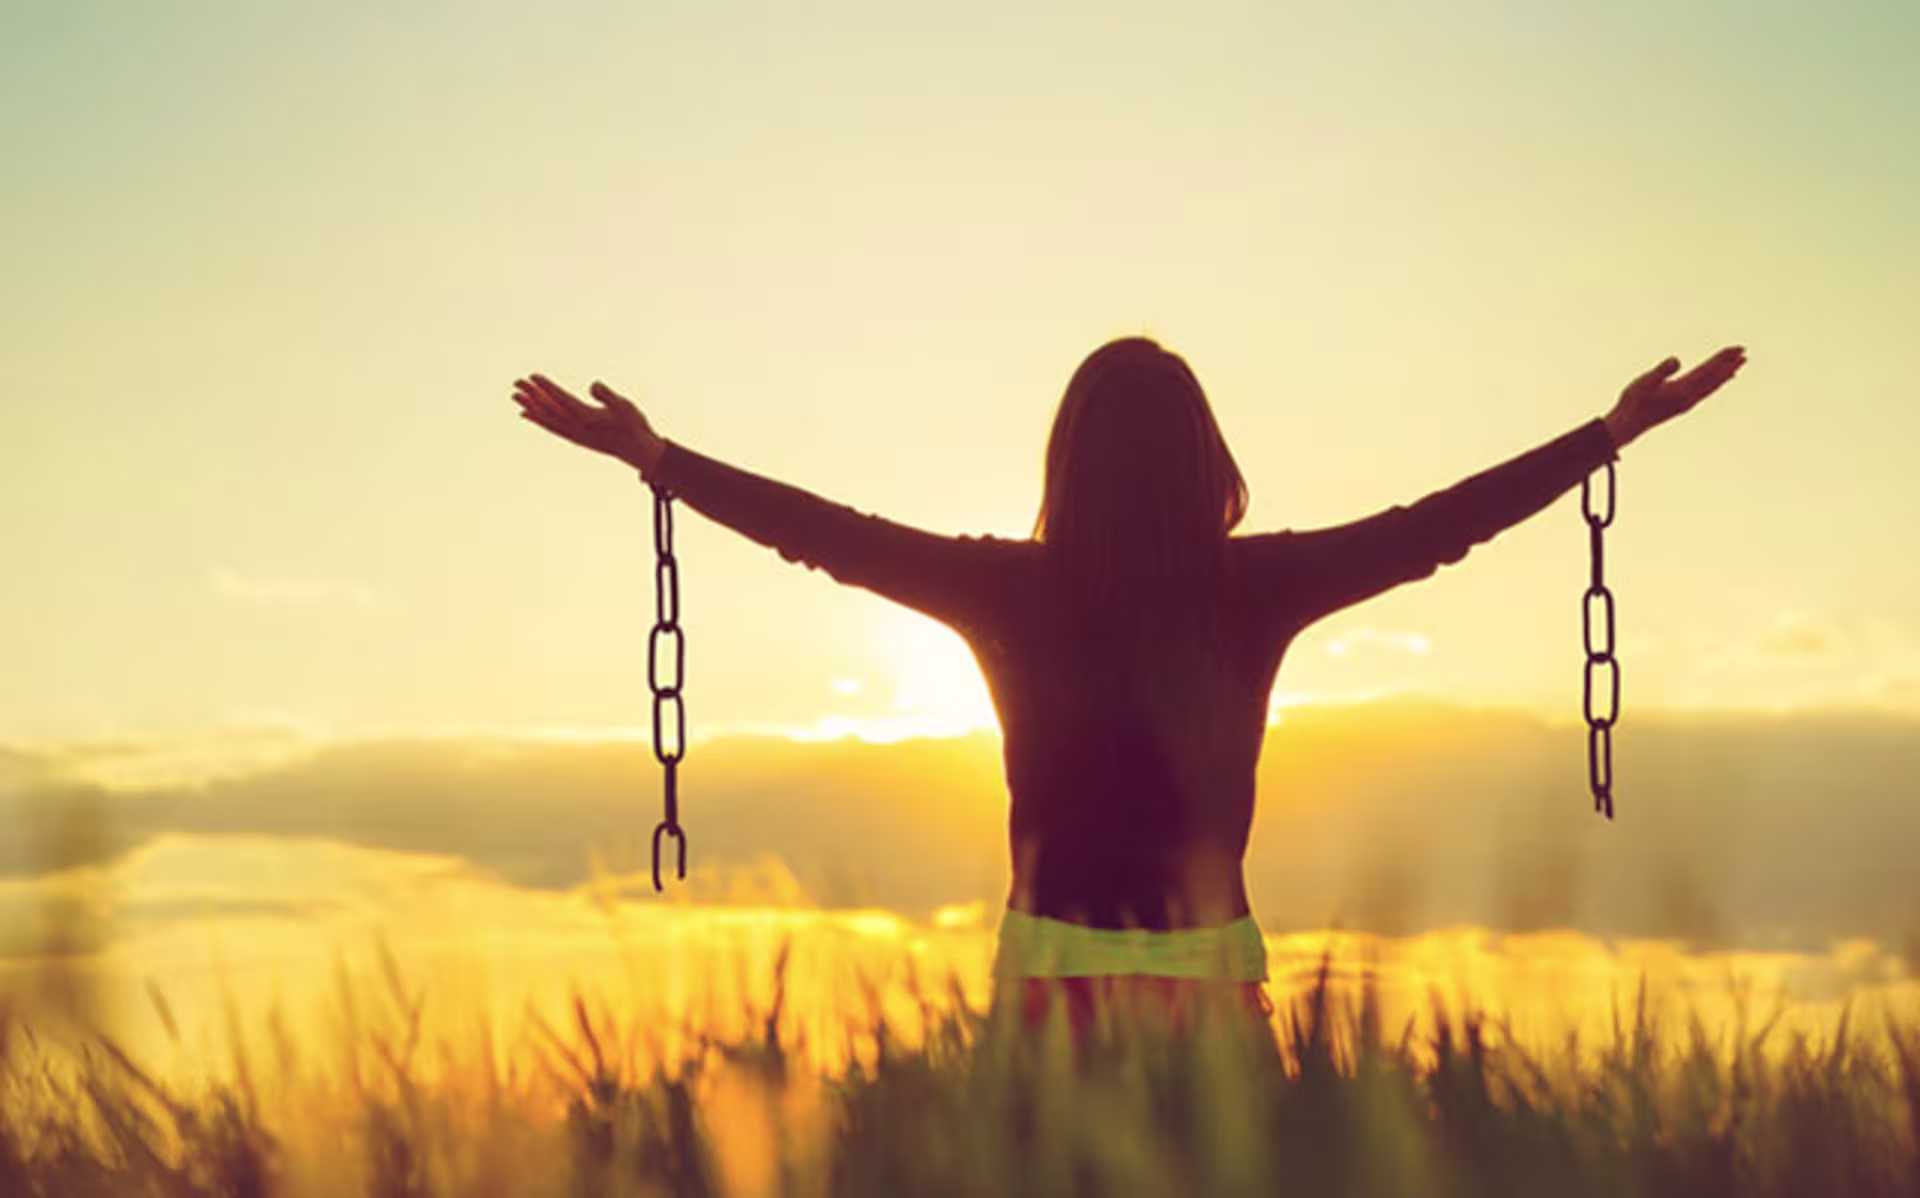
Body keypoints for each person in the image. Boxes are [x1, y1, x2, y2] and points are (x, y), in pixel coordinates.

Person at [510, 337, 1746, 1045]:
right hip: (1211, 998)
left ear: (1067, 463)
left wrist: (661, 462)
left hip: (1045, 998)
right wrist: (1606, 434)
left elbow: (825, 532)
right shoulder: (1252, 590)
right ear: (1208, 464)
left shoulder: (1007, 591)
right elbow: (1437, 527)